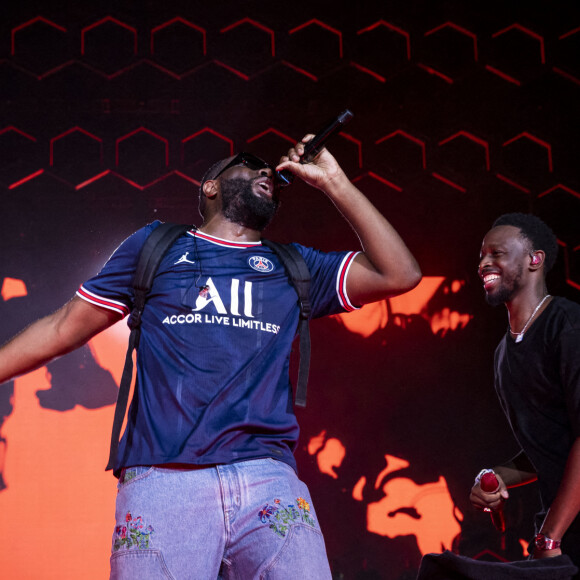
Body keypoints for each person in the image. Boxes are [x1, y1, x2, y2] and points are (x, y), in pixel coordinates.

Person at [0, 135, 421, 579]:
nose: (265, 173)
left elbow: (400, 273)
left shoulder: (295, 265)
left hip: (268, 479)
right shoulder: (155, 246)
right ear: (210, 188)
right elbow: (64, 326)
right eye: (247, 165)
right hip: (165, 479)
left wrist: (335, 182)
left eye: (268, 171)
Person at [470, 213, 580, 574]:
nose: (484, 263)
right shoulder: (503, 355)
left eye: (497, 253)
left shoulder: (568, 324)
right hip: (563, 538)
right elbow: (550, 447)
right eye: (482, 255)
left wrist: (550, 537)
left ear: (535, 259)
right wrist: (499, 474)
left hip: (557, 538)